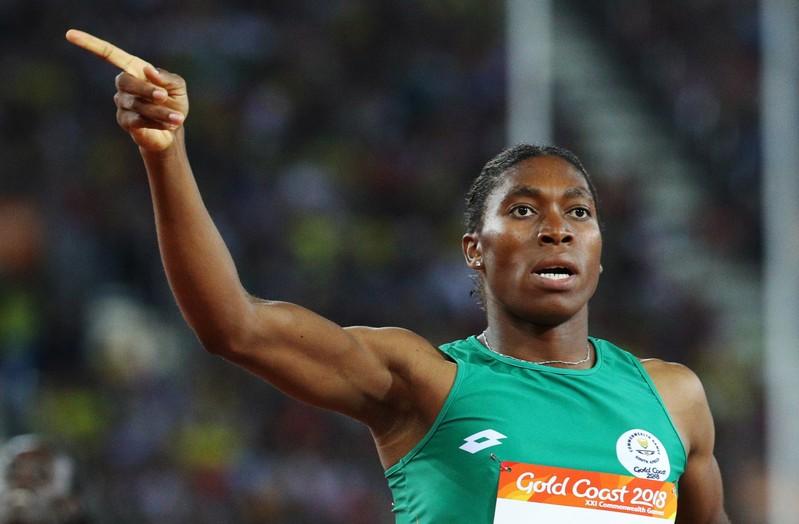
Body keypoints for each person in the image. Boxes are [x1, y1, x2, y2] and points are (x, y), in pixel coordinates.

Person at [65, 29, 728, 523]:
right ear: (474, 249)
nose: (555, 228)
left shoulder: (672, 399)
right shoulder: (422, 381)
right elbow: (234, 326)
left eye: (577, 212)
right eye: (522, 210)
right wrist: (166, 155)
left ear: (599, 249)